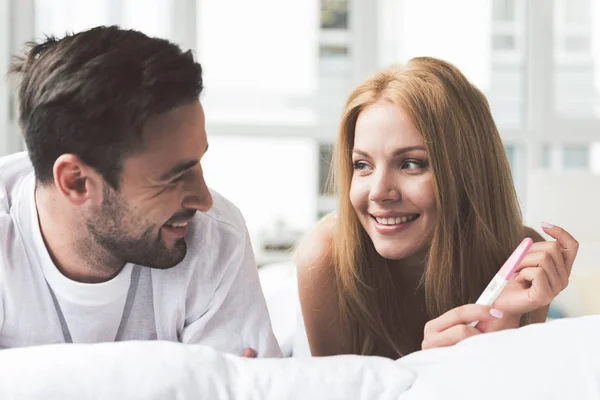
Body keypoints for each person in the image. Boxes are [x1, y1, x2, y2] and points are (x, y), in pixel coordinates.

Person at [0, 26, 281, 357]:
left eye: (197, 163)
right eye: (173, 177)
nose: (204, 200)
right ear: (76, 181)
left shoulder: (216, 237)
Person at [296, 57, 579, 359]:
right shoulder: (325, 257)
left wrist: (501, 332)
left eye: (410, 164)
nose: (378, 192)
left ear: (467, 171)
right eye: (362, 165)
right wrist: (429, 368)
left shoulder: (520, 259)